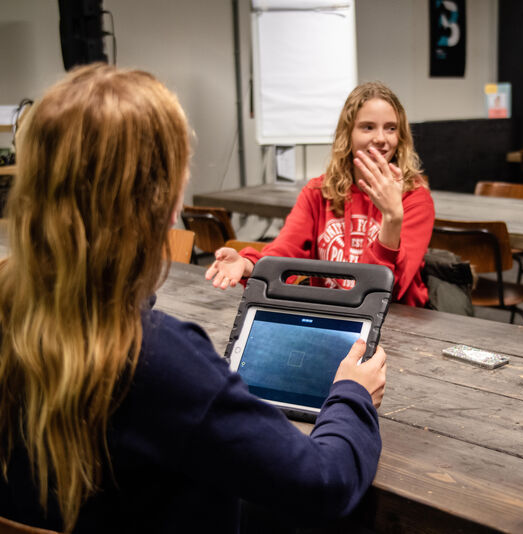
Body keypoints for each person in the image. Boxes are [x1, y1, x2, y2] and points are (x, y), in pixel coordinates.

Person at [0, 64, 386, 533]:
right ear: (160, 196)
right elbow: (324, 484)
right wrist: (351, 395)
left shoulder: (13, 309)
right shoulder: (156, 360)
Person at [204, 82, 434, 307]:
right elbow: (285, 252)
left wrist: (392, 218)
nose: (382, 138)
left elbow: (393, 290)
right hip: (333, 315)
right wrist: (246, 264)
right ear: (348, 134)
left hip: (396, 321)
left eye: (391, 128)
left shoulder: (414, 198)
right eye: (368, 127)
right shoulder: (318, 192)